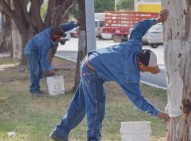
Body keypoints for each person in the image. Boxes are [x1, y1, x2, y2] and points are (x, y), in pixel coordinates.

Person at [50, 9, 169, 141]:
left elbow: (138, 27)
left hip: (90, 63)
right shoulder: (129, 76)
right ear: (141, 65)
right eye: (148, 69)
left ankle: (60, 132)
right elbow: (139, 101)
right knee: (97, 108)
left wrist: (157, 20)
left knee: (80, 103)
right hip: (92, 72)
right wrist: (159, 114)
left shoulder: (135, 45)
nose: (147, 71)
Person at [24, 22, 77, 96]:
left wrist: (74, 25)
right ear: (54, 35)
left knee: (39, 72)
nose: (60, 37)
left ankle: (36, 89)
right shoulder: (45, 42)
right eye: (59, 36)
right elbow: (43, 58)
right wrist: (50, 68)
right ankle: (34, 91)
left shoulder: (54, 30)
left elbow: (63, 28)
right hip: (31, 52)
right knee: (35, 71)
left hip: (37, 50)